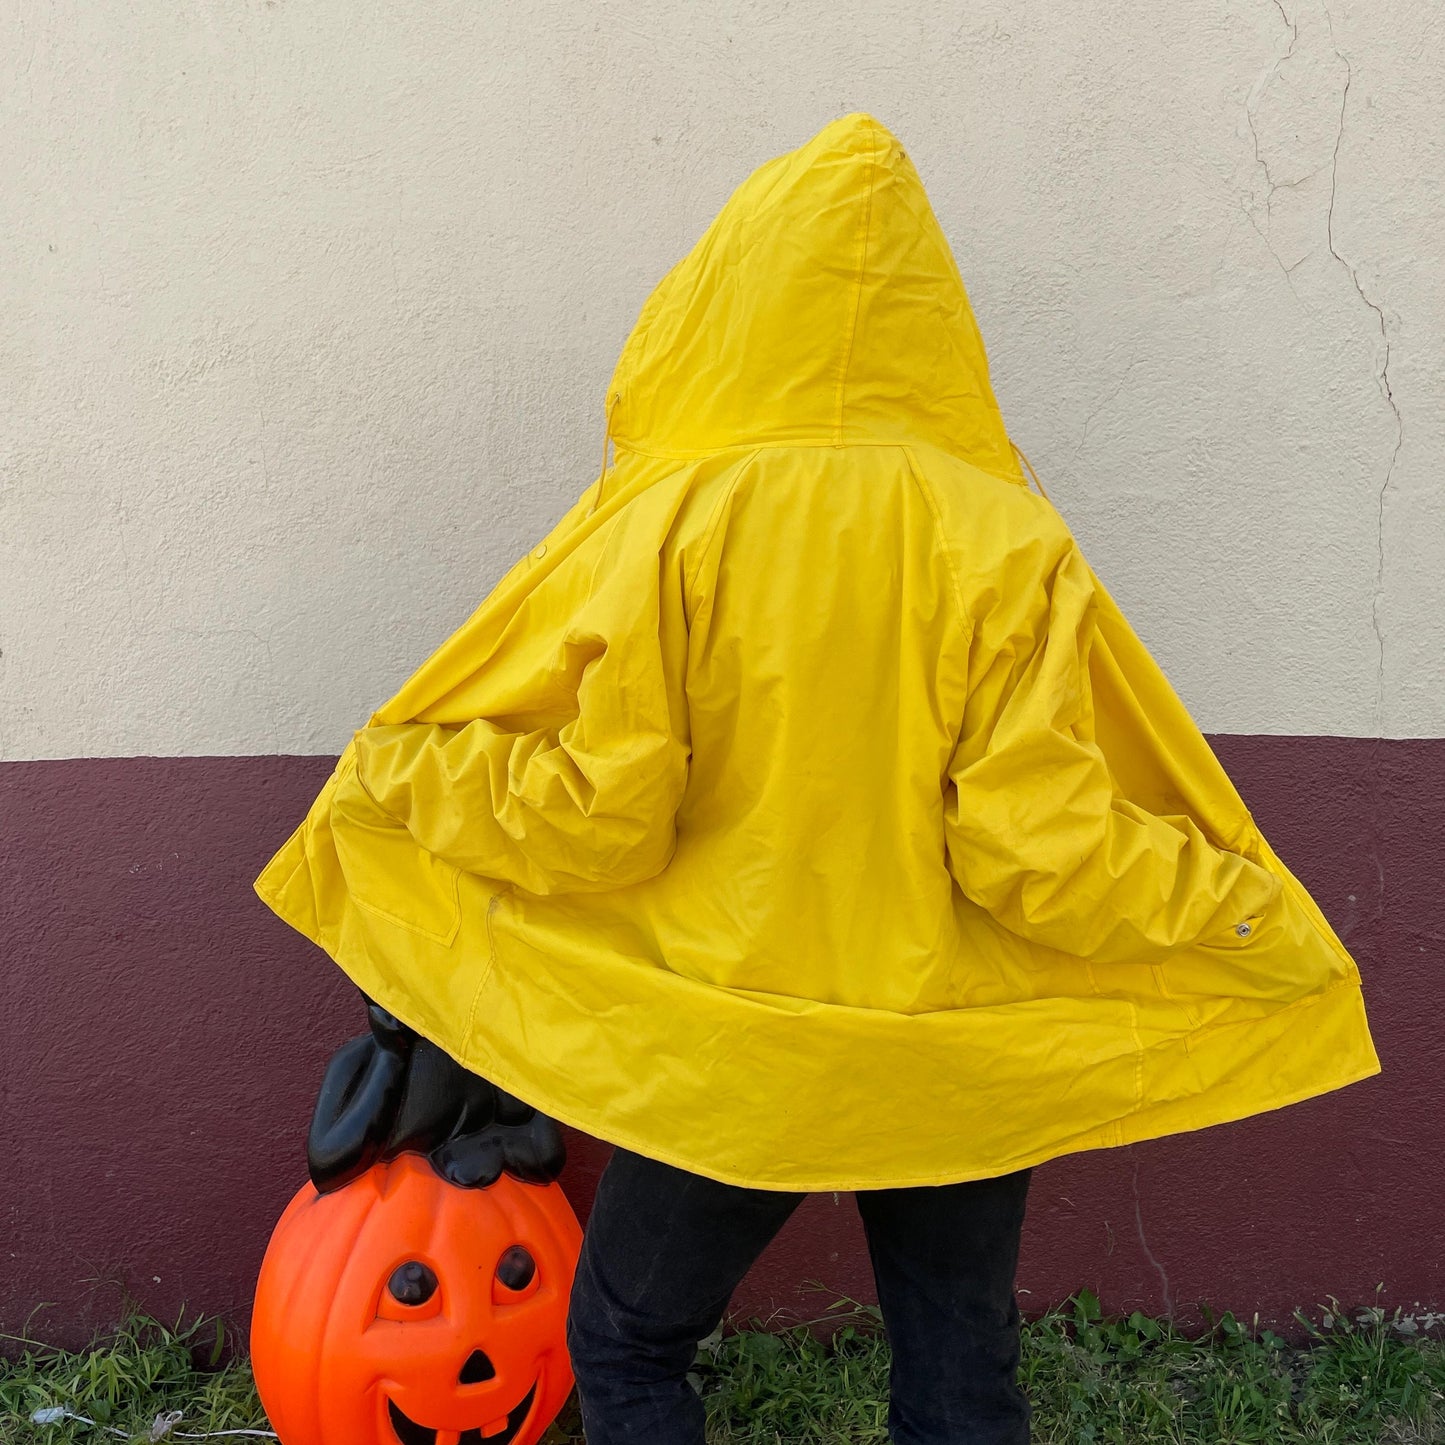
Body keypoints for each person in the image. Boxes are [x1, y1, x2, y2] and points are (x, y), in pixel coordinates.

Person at [256, 113, 1379, 1445]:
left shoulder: (670, 522)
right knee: (959, 1371)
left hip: (735, 1047)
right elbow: (1041, 851)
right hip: (944, 1053)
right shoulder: (1004, 537)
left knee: (623, 1343)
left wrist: (414, 778)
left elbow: (594, 820)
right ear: (925, 310)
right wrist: (1235, 905)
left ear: (733, 287)